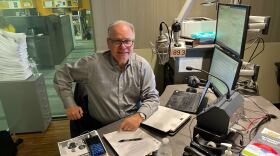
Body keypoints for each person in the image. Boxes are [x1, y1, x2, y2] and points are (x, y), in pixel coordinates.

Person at [54, 20, 159, 135]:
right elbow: (61, 75)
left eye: (127, 41)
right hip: (101, 127)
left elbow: (152, 97)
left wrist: (139, 116)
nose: (123, 46)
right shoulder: (92, 64)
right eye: (117, 41)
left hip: (131, 125)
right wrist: (70, 105)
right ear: (108, 43)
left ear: (133, 43)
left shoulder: (142, 66)